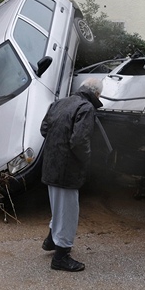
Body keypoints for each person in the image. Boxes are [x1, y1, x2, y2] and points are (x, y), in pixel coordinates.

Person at [39, 77, 103, 272]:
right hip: (68, 170)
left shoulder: (58, 104)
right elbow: (79, 141)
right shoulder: (86, 108)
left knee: (58, 207)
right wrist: (87, 161)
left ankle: (51, 240)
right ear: (96, 93)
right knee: (68, 213)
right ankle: (61, 257)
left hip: (51, 165)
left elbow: (44, 130)